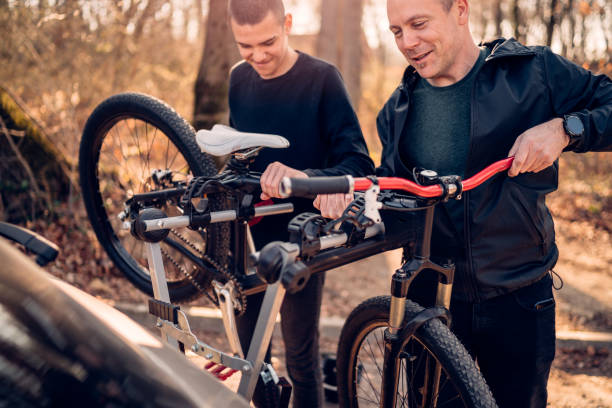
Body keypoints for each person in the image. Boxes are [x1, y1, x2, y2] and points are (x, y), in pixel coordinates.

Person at [379, 0, 612, 407]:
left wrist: (564, 129)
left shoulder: (533, 72)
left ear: (461, 11)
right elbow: (394, 205)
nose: (408, 42)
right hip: (431, 302)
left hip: (519, 299)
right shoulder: (397, 109)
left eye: (418, 24)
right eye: (397, 31)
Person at [226, 0, 375, 406]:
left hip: (302, 238)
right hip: (250, 235)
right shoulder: (238, 78)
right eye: (245, 45)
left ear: (288, 24)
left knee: (300, 359)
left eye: (268, 42)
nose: (257, 56)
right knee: (251, 358)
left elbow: (358, 164)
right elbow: (238, 154)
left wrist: (305, 178)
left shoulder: (323, 79)